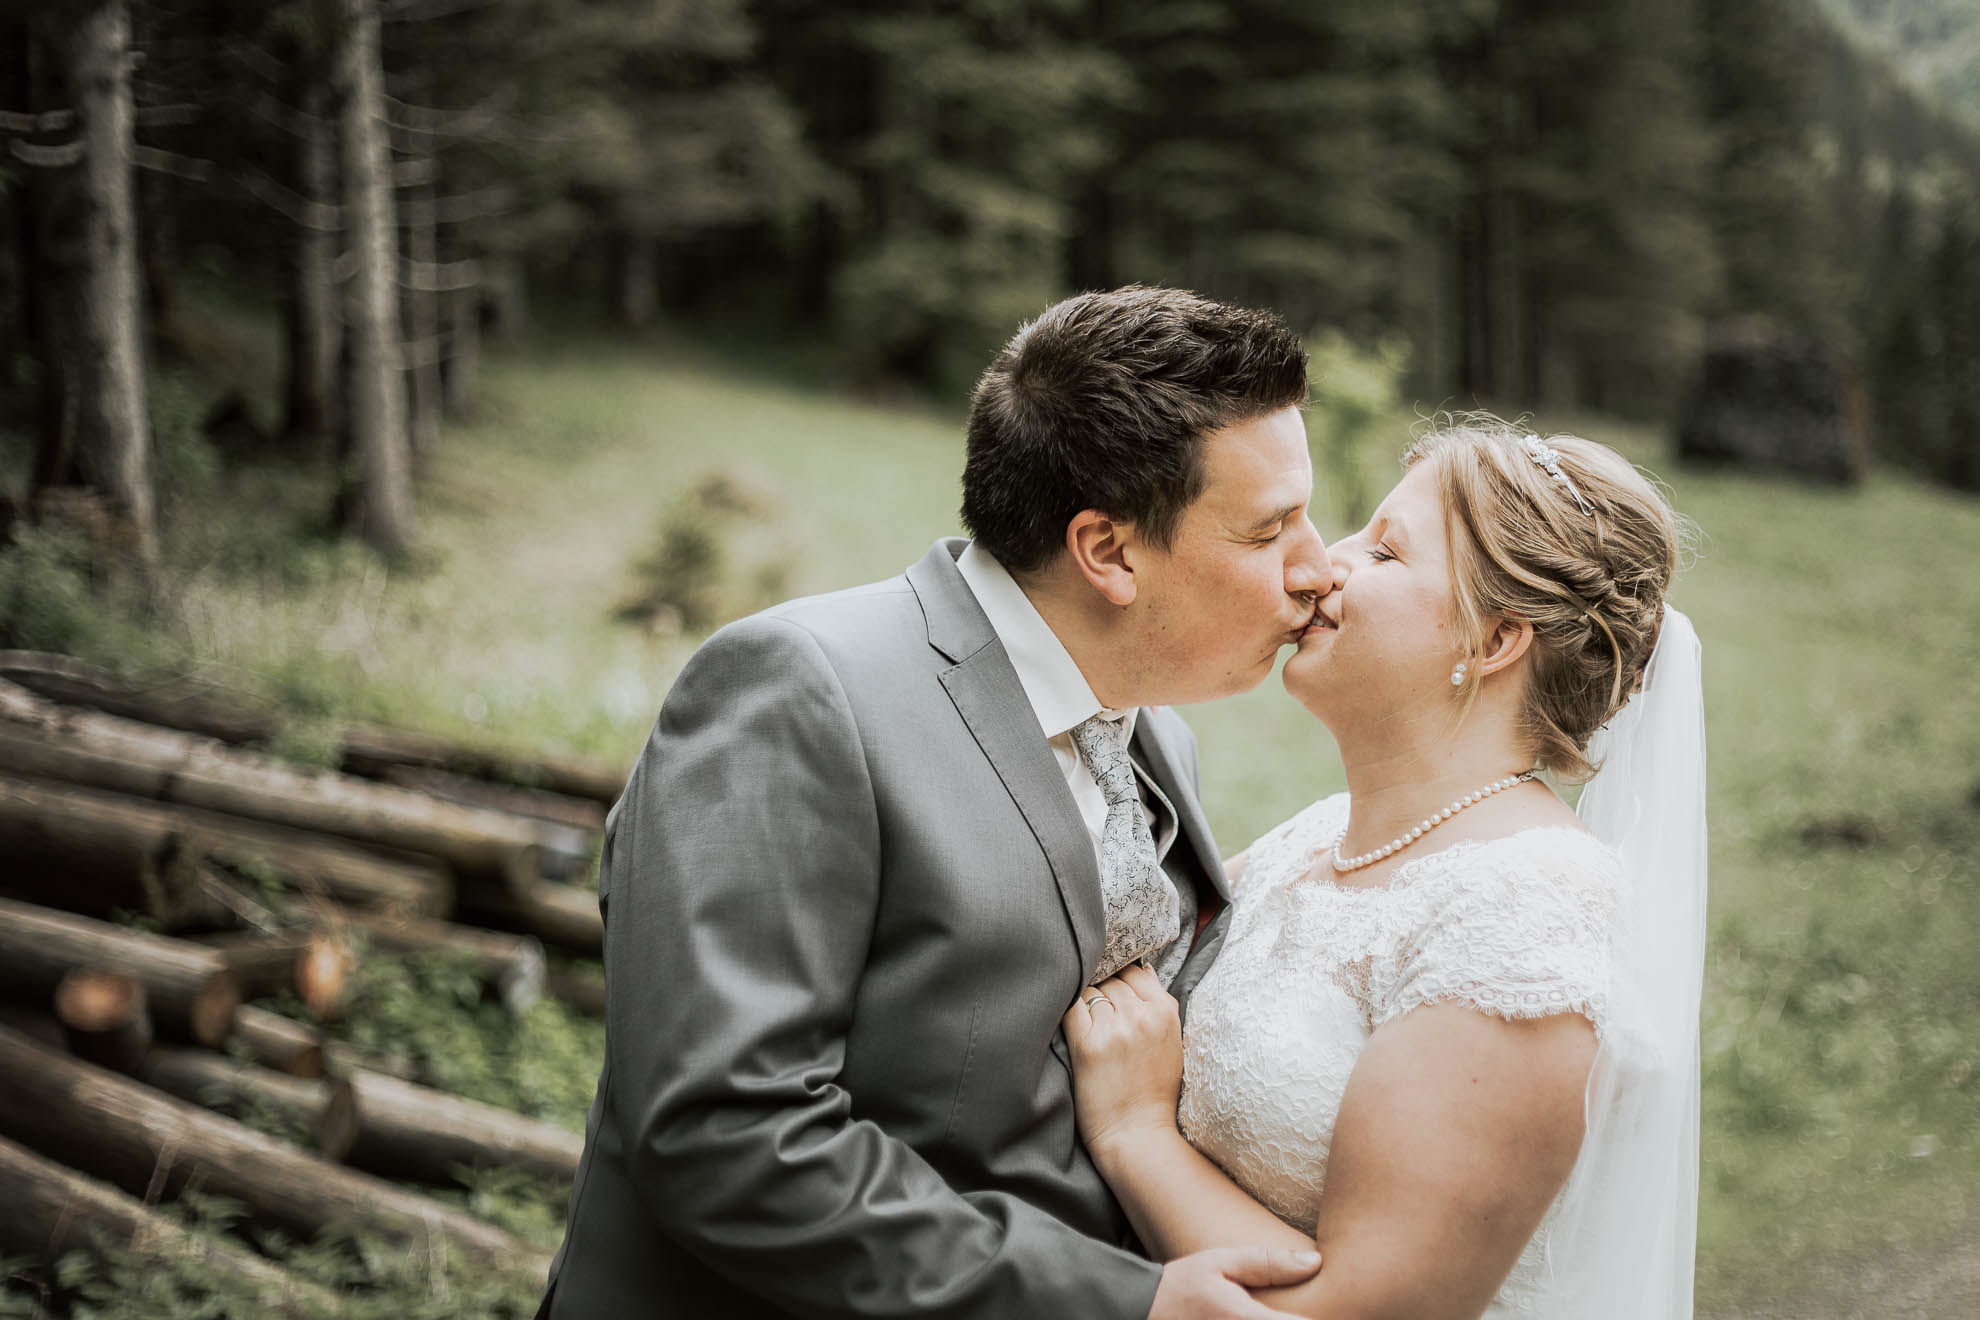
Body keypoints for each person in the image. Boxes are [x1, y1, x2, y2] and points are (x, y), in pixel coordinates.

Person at [538, 286, 1340, 1319]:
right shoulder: (798, 691)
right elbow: (726, 1132)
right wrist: (1119, 1304)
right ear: (1107, 552)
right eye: (1269, 531)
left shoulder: (1153, 733)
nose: (1319, 567)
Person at [1063, 418, 1706, 1319]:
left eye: (1385, 551)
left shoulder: (1526, 913)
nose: (1325, 564)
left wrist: (1134, 1131)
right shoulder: (1320, 837)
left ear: (1492, 640)